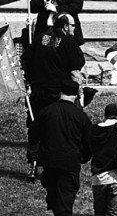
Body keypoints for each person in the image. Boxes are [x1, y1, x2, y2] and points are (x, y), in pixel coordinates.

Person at [22, 12, 86, 181]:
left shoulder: (40, 38)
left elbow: (25, 59)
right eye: (73, 26)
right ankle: (57, 165)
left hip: (37, 93)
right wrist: (79, 91)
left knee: (36, 128)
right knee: (60, 129)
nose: (74, 28)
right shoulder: (69, 43)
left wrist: (28, 79)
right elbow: (74, 72)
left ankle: (33, 165)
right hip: (59, 94)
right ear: (65, 26)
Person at [32, 80, 92, 216]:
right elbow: (89, 141)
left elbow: (33, 135)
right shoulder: (80, 116)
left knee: (55, 200)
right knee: (65, 203)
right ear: (76, 95)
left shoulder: (46, 111)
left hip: (49, 162)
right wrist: (84, 157)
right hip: (70, 162)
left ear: (60, 92)